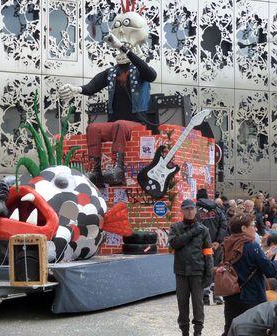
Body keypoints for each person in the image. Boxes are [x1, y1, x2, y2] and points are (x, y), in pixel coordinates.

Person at [59, 12, 157, 186]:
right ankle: (96, 170)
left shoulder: (140, 70)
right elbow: (91, 87)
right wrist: (75, 89)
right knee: (94, 128)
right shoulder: (111, 73)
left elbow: (151, 74)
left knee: (121, 124)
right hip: (116, 125)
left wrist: (124, 47)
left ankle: (118, 168)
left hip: (137, 125)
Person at [221, 213, 277, 336]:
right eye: (252, 225)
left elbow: (242, 264)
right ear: (243, 228)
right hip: (251, 296)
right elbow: (271, 271)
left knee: (230, 329)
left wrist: (264, 257)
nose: (255, 229)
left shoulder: (227, 243)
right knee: (252, 330)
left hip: (231, 295)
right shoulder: (251, 245)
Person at [168, 199, 213, 336]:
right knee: (182, 303)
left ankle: (198, 331)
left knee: (198, 304)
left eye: (192, 209)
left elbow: (208, 253)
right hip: (181, 272)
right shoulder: (175, 228)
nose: (189, 211)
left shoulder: (204, 230)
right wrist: (192, 232)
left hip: (197, 271)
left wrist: (209, 273)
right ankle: (185, 331)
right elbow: (174, 244)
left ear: (195, 210)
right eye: (186, 209)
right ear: (182, 211)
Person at [195, 188, 228, 305]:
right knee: (216, 268)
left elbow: (194, 228)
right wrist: (218, 241)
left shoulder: (195, 210)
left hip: (202, 246)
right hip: (216, 245)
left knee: (204, 269)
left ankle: (204, 296)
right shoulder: (217, 209)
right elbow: (223, 225)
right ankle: (217, 296)